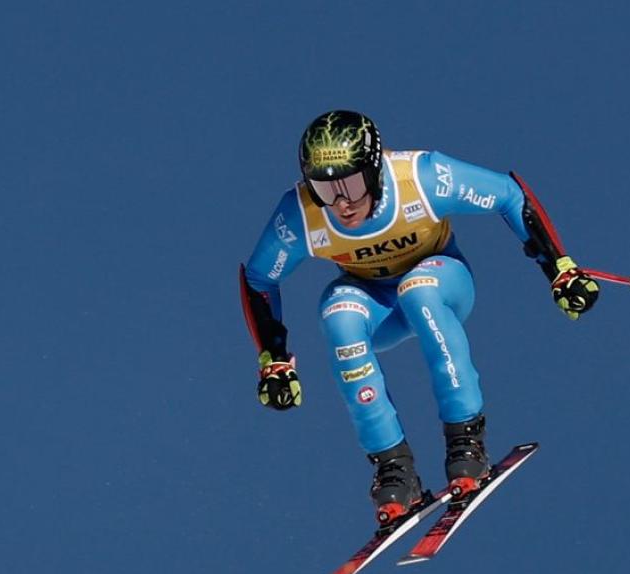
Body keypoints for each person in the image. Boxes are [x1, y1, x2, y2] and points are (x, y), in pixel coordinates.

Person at [240, 110, 600, 529]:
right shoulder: (301, 214)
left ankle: (465, 441)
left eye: (352, 183)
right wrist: (274, 359)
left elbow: (507, 193)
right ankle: (394, 470)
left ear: (374, 170)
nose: (341, 202)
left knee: (419, 290)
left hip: (441, 279)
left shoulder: (421, 177)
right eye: (324, 187)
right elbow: (260, 278)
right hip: (375, 302)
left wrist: (560, 268)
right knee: (337, 315)